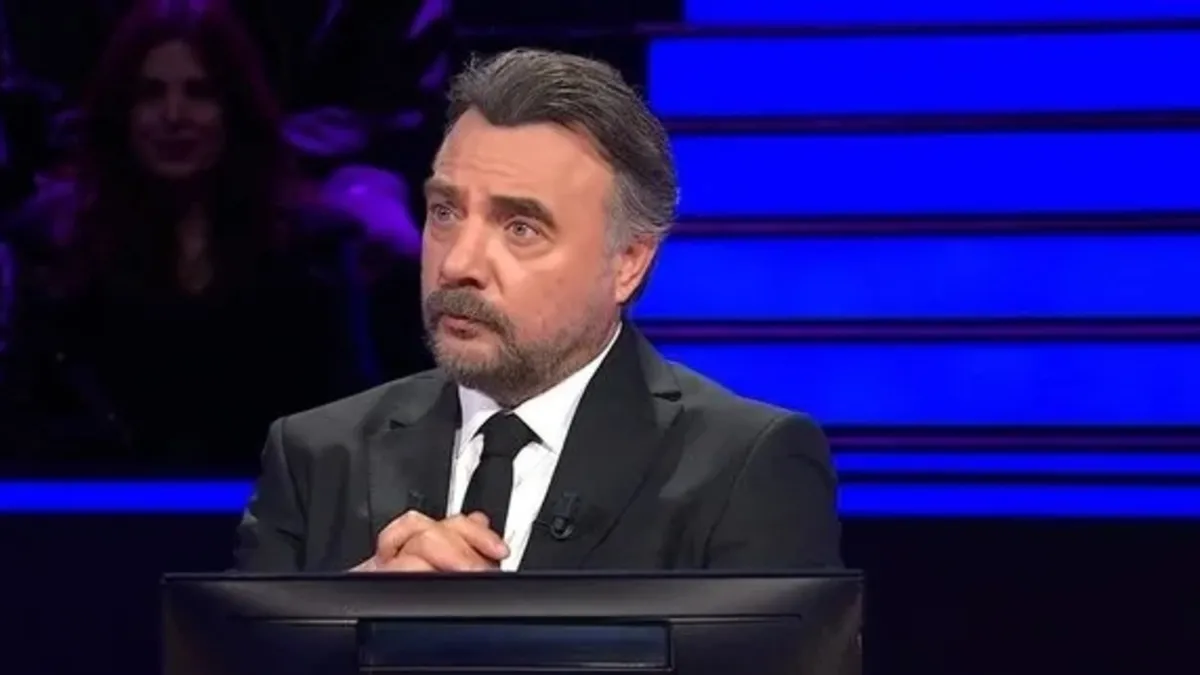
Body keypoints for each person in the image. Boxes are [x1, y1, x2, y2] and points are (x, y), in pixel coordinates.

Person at [233, 48, 842, 572]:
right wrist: (351, 617)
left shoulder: (744, 469)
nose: (457, 263)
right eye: (445, 212)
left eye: (520, 227)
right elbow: (236, 653)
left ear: (628, 262)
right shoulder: (315, 457)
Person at [0, 0, 381, 474]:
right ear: (122, 112)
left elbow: (350, 422)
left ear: (234, 109)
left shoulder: (313, 251)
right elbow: (26, 423)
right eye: (150, 94)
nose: (174, 115)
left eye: (199, 92)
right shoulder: (57, 251)